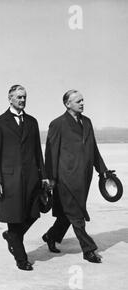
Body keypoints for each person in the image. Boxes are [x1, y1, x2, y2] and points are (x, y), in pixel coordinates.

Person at [42, 90, 107, 263]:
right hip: (65, 178)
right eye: (78, 101)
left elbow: (93, 148)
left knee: (67, 213)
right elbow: (50, 153)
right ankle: (88, 249)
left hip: (84, 177)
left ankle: (51, 236)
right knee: (76, 213)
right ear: (67, 104)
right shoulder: (57, 124)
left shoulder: (87, 122)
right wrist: (51, 177)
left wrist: (103, 170)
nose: (82, 103)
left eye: (83, 100)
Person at [0, 85, 48, 271]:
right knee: (14, 218)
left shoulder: (32, 121)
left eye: (24, 97)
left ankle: (11, 237)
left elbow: (38, 151)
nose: (22, 100)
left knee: (32, 213)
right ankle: (21, 259)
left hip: (31, 178)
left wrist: (43, 176)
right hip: (9, 180)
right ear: (10, 98)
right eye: (19, 97)